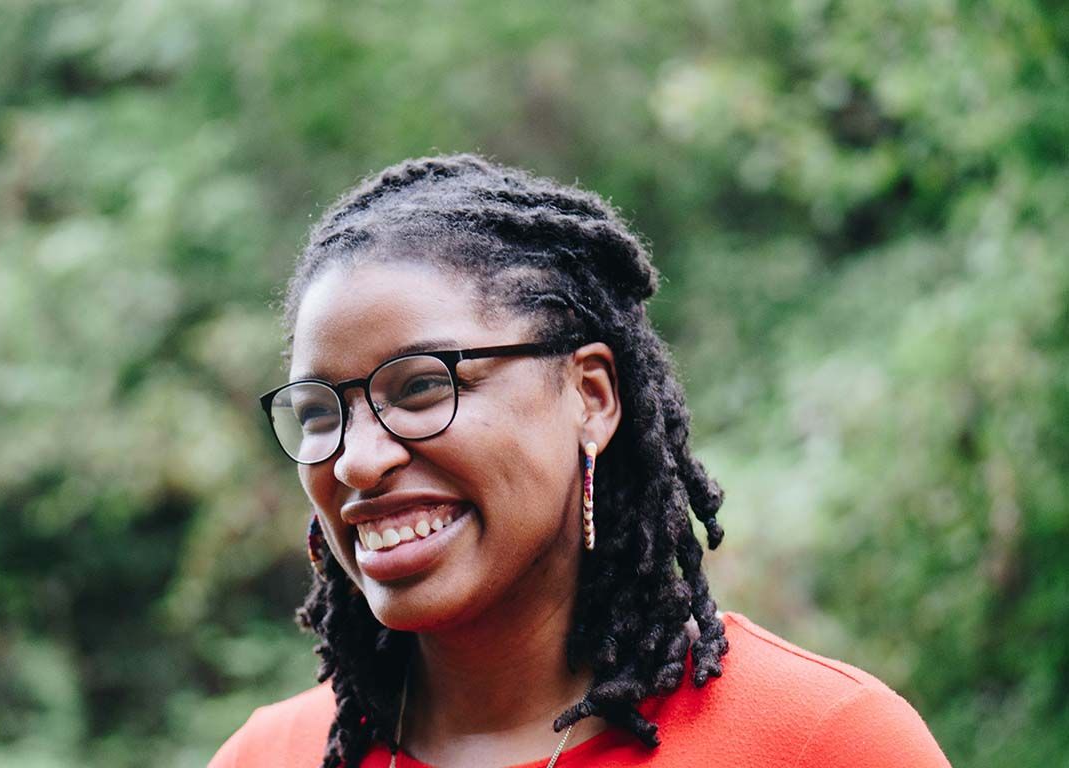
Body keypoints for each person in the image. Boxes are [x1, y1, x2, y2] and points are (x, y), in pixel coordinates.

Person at [211, 155, 950, 767]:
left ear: (589, 396)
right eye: (319, 412)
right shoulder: (269, 756)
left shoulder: (823, 742)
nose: (357, 462)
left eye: (422, 387)